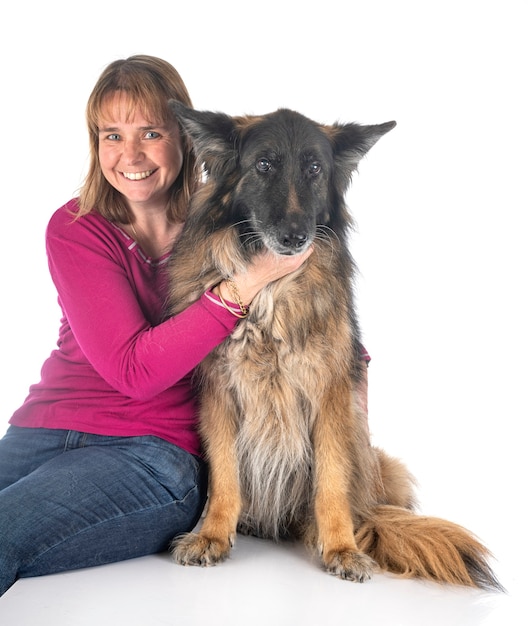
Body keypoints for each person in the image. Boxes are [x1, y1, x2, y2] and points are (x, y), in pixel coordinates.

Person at [0, 55, 367, 597]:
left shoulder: (232, 225)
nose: (131, 155)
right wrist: (243, 287)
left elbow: (329, 339)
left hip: (149, 452)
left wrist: (354, 463)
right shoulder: (75, 228)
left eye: (151, 132)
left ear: (186, 139)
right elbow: (133, 367)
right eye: (111, 135)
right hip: (44, 430)